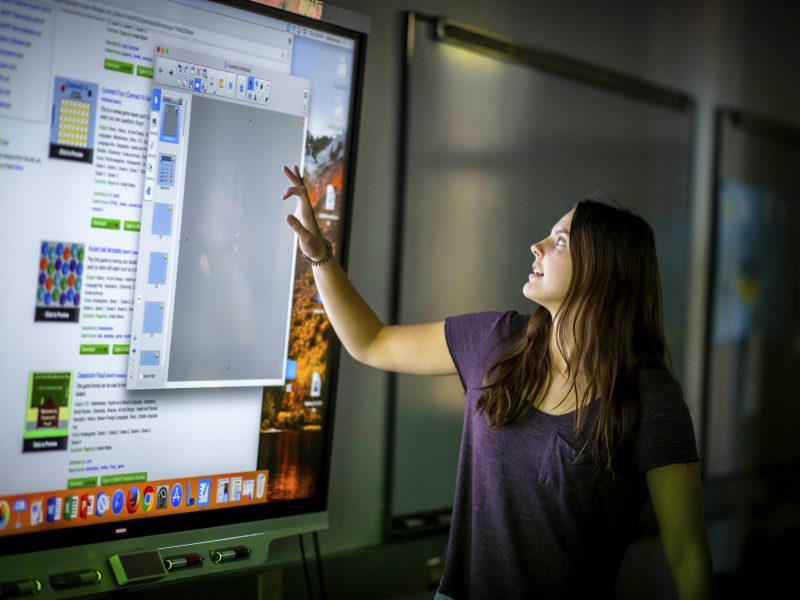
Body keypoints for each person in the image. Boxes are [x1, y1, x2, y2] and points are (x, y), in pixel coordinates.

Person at [282, 166, 716, 599]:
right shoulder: (495, 341)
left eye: (561, 241)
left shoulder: (649, 397)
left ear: (603, 270)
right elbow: (370, 342)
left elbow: (687, 555)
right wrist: (319, 256)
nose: (538, 246)